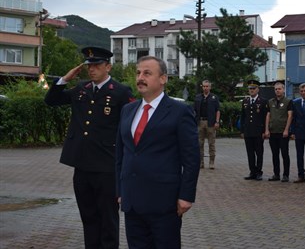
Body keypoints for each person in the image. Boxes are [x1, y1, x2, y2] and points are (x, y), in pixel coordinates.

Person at [44, 47, 133, 249]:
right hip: (82, 164)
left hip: (106, 166)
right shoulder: (81, 89)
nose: (91, 69)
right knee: (89, 217)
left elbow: (128, 127)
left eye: (96, 65)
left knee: (108, 219)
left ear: (108, 67)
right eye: (88, 66)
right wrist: (64, 79)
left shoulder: (120, 92)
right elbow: (51, 101)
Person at [115, 56, 200, 248]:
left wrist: (186, 196)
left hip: (164, 202)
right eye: (138, 73)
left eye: (147, 73)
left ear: (163, 79)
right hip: (132, 202)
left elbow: (191, 158)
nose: (140, 77)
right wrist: (120, 190)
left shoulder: (179, 111)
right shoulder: (128, 110)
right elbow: (121, 154)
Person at [240, 79, 269, 181]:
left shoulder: (263, 101)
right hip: (248, 131)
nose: (251, 90)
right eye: (250, 88)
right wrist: (242, 131)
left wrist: (265, 130)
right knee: (250, 153)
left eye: (253, 88)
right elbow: (243, 117)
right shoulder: (245, 101)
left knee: (259, 152)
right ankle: (252, 172)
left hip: (258, 132)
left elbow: (266, 117)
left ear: (258, 89)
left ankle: (259, 172)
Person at [264, 81, 293, 182]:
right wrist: (266, 129)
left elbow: (290, 116)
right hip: (273, 132)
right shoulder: (270, 102)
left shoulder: (288, 102)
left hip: (283, 132)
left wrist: (286, 130)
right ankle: (276, 174)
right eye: (276, 89)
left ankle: (286, 175)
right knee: (274, 154)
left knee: (285, 154)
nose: (277, 91)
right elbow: (268, 115)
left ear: (283, 90)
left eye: (279, 89)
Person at [194, 80, 220, 169]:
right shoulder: (198, 97)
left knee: (211, 143)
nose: (205, 88)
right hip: (200, 122)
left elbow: (218, 110)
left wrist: (217, 121)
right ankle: (201, 162)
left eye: (207, 86)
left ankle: (211, 162)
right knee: (199, 143)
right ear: (202, 87)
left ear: (210, 87)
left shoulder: (214, 97)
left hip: (211, 123)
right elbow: (194, 111)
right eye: (204, 86)